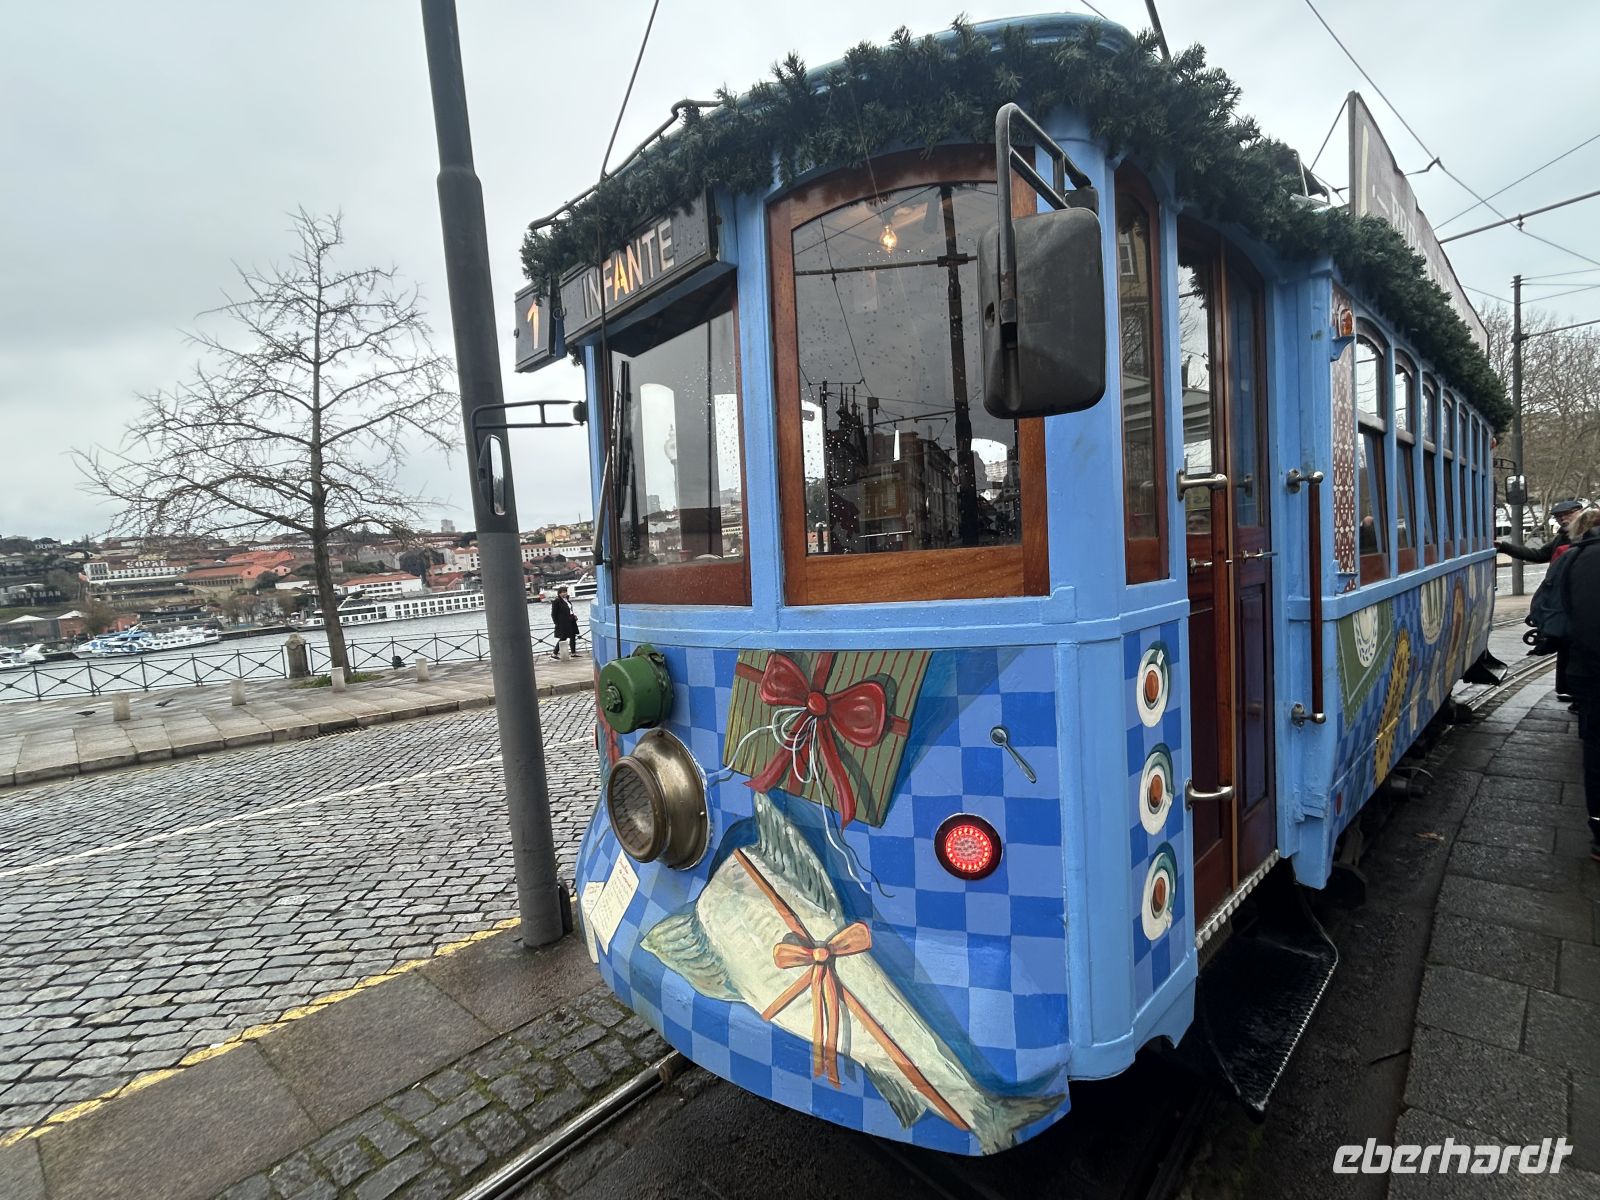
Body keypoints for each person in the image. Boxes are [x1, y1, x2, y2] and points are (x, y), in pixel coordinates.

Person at [1561, 520, 1600, 861]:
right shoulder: (1587, 558)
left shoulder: (1577, 556)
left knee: (1596, 750)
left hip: (1587, 671)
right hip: (1592, 672)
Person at [1497, 499, 1584, 563]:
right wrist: (1504, 546)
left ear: (1581, 512)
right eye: (1558, 516)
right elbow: (1539, 555)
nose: (1563, 518)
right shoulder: (1561, 539)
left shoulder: (1590, 535)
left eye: (1568, 513)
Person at [549, 585, 580, 659]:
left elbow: (569, 610)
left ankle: (573, 653)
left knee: (573, 636)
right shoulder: (557, 601)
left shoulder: (567, 600)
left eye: (565, 592)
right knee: (563, 637)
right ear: (559, 593)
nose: (565, 593)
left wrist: (574, 615)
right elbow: (553, 614)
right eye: (563, 592)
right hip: (563, 622)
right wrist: (556, 623)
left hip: (571, 620)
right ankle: (554, 654)